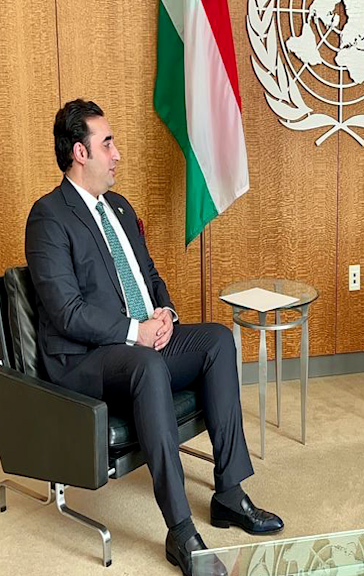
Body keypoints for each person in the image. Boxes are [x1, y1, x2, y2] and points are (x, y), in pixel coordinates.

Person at [25, 99, 283, 576]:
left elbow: (147, 274)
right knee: (145, 365)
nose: (117, 153)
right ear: (80, 153)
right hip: (84, 359)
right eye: (108, 143)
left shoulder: (119, 208)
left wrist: (165, 313)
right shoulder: (49, 217)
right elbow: (66, 312)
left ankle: (228, 493)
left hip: (140, 342)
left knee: (217, 342)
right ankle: (181, 530)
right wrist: (134, 333)